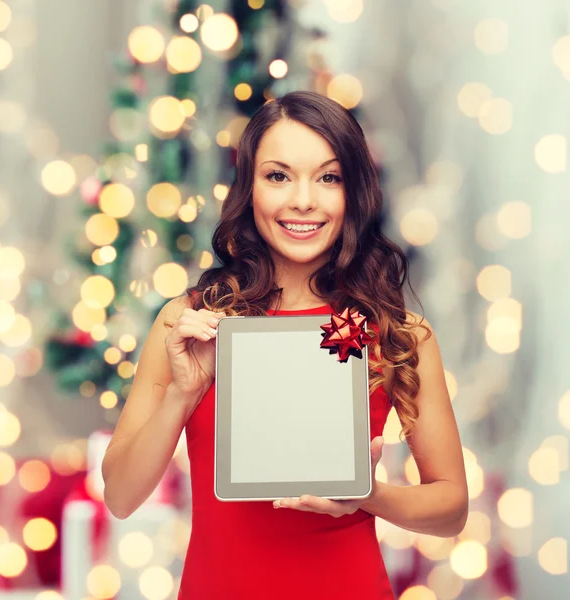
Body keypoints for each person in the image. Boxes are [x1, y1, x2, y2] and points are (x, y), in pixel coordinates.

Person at [102, 90, 468, 599]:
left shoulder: (397, 334)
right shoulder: (190, 322)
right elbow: (119, 496)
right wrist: (182, 394)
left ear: (354, 193)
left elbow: (451, 509)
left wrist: (369, 495)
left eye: (329, 177)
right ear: (249, 189)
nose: (303, 200)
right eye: (278, 176)